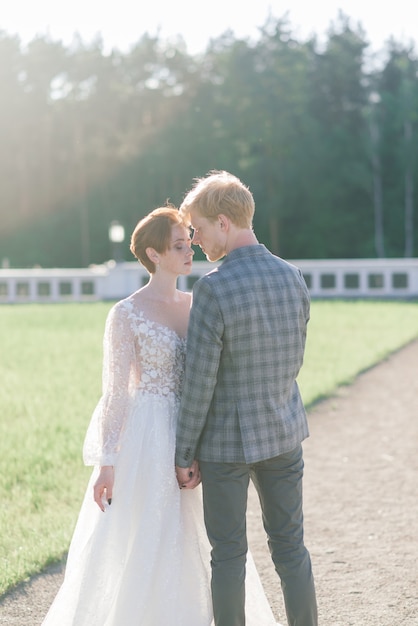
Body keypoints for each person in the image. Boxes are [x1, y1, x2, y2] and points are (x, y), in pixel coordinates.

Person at [42, 205, 277, 626]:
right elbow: (115, 393)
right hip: (147, 436)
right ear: (153, 254)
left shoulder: (199, 301)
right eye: (179, 246)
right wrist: (106, 463)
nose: (191, 251)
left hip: (197, 431)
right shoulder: (126, 314)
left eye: (190, 243)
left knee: (206, 538)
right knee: (149, 534)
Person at [175, 171, 318, 626]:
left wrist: (183, 452)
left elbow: (199, 381)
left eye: (195, 229)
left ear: (222, 223)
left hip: (224, 447)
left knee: (229, 556)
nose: (194, 240)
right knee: (291, 548)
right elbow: (294, 357)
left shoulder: (213, 288)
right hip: (282, 431)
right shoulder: (293, 277)